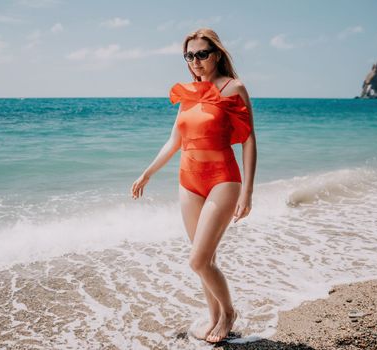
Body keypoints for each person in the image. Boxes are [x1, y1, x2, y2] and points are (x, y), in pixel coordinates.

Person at [131, 28, 257, 343]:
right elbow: (175, 140)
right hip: (188, 180)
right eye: (190, 55)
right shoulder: (189, 92)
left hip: (223, 179)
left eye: (202, 53)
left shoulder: (233, 88)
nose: (195, 61)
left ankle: (228, 313)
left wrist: (248, 191)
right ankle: (214, 318)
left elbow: (249, 140)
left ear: (216, 54)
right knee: (205, 259)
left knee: (198, 260)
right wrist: (148, 172)